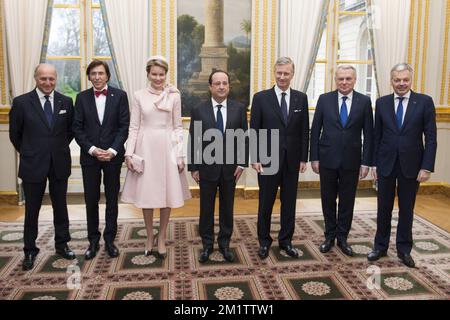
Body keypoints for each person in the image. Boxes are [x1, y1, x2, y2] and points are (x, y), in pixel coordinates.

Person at [368, 63, 437, 268]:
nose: (401, 83)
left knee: (407, 209)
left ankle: (404, 249)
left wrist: (427, 167)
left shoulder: (424, 102)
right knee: (384, 208)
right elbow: (376, 136)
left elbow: (431, 138)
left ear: (411, 80)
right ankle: (380, 246)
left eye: (405, 80)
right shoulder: (382, 103)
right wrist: (373, 164)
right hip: (386, 164)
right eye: (397, 80)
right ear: (391, 81)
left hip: (412, 166)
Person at [121, 56, 191, 259]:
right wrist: (129, 152)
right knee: (147, 195)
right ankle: (150, 236)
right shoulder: (139, 95)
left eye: (161, 74)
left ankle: (162, 237)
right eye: (154, 74)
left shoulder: (174, 96)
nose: (158, 78)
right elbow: (134, 127)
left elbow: (178, 127)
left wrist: (180, 154)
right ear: (148, 74)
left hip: (168, 147)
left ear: (165, 74)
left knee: (167, 195)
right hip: (146, 148)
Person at [9, 64, 76, 270]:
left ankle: (62, 244)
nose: (47, 83)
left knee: (60, 207)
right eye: (43, 79)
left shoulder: (66, 101)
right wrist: (30, 151)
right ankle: (30, 250)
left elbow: (70, 131)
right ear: (35, 78)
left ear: (56, 79)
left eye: (51, 79)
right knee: (32, 210)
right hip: (32, 164)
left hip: (59, 162)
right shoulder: (21, 103)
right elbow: (15, 135)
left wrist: (55, 149)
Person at [310, 65, 373, 256]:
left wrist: (366, 162)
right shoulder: (324, 99)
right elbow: (315, 131)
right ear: (335, 80)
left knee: (347, 201)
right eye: (341, 79)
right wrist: (314, 157)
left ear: (355, 80)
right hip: (327, 159)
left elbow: (369, 134)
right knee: (328, 199)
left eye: (348, 79)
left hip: (352, 161)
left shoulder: (364, 101)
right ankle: (329, 236)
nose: (344, 82)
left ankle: (343, 237)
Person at [250, 57, 309, 259]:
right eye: (279, 73)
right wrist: (255, 157)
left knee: (289, 203)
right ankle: (264, 242)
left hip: (292, 161)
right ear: (274, 73)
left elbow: (304, 131)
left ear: (292, 75)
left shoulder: (301, 98)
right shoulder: (260, 98)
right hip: (267, 160)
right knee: (265, 203)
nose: (282, 77)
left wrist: (304, 158)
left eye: (286, 73)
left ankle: (286, 241)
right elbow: (254, 130)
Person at [188, 70, 248, 263]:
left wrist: (241, 163)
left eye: (225, 83)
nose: (221, 86)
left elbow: (243, 138)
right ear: (210, 87)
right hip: (206, 168)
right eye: (217, 83)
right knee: (206, 209)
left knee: (227, 208)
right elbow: (194, 139)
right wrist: (194, 167)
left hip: (231, 169)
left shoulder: (239, 109)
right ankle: (207, 245)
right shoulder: (199, 110)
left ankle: (224, 244)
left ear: (229, 86)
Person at [72, 60, 130, 259]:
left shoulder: (120, 96)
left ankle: (110, 240)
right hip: (90, 158)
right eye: (93, 74)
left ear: (107, 76)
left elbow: (124, 126)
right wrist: (93, 149)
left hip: (113, 158)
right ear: (89, 76)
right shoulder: (80, 98)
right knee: (91, 200)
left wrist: (113, 150)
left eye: (101, 73)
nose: (97, 77)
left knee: (112, 199)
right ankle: (93, 241)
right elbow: (76, 128)